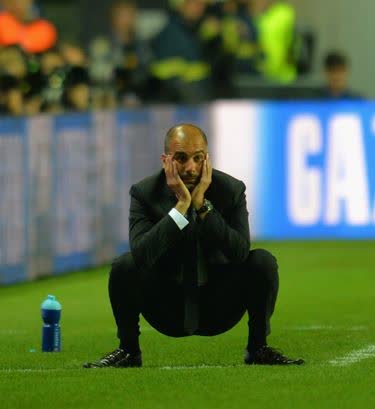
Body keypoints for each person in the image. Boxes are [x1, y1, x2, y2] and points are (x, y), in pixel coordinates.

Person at [84, 124, 304, 368]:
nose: (191, 168)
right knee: (124, 265)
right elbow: (142, 256)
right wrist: (180, 208)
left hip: (219, 304)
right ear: (166, 160)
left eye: (198, 158)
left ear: (207, 159)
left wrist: (201, 206)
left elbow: (240, 252)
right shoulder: (144, 193)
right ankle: (128, 351)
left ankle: (258, 348)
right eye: (181, 158)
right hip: (166, 306)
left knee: (262, 261)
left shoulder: (231, 190)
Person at [150, 0, 211, 103]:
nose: (200, 8)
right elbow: (164, 72)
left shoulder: (198, 31)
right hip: (181, 101)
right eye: (195, 4)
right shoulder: (170, 34)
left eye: (202, 4)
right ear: (180, 6)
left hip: (201, 97)